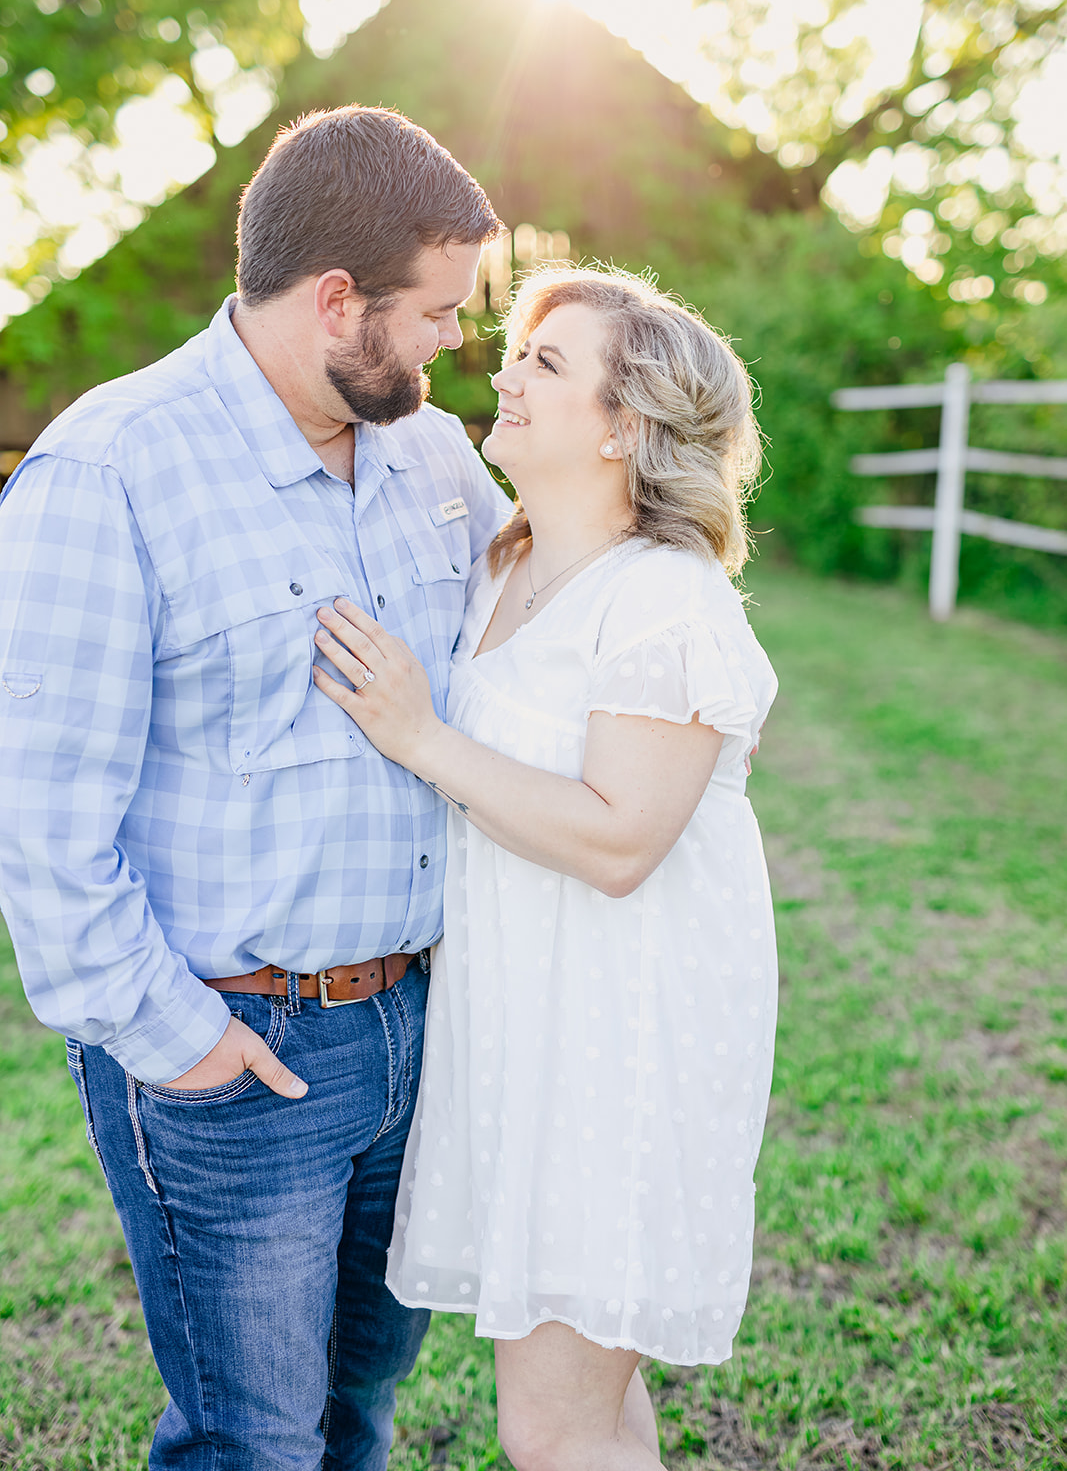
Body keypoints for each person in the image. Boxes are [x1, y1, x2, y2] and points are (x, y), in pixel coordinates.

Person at [0, 105, 512, 1470]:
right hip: (242, 1060)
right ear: (334, 301)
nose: (456, 343)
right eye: (437, 313)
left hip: (416, 1028)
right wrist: (180, 1045)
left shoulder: (432, 459)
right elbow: (45, 826)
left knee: (357, 1413)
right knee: (250, 1444)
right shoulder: (107, 472)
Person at [313, 265, 779, 1469]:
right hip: (531, 1026)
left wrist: (422, 736)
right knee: (589, 1407)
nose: (504, 373)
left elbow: (619, 840)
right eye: (515, 351)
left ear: (624, 426)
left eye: (546, 362)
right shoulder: (504, 567)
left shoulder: (664, 602)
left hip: (622, 1042)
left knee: (553, 1425)